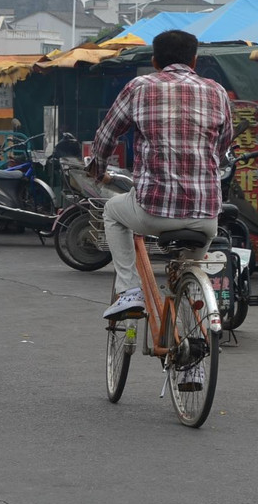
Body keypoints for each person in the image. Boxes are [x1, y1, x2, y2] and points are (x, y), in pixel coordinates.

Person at [88, 30, 233, 319]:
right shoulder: (217, 91)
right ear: (194, 60)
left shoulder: (139, 87)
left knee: (113, 213)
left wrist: (97, 168)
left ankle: (129, 290)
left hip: (153, 211)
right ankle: (194, 332)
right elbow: (224, 143)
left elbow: (106, 136)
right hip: (205, 218)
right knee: (189, 271)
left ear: (155, 61)